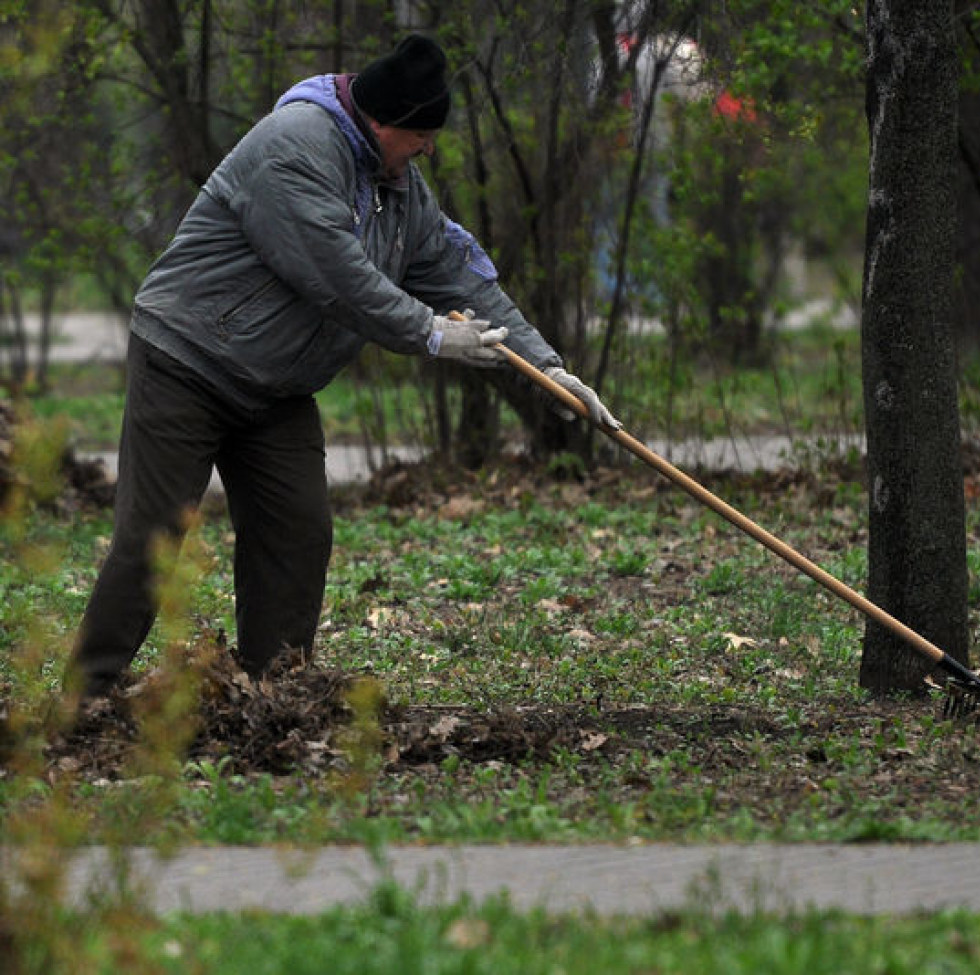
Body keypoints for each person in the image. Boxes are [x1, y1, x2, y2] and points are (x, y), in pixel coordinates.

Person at [67, 34, 617, 701]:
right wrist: (431, 335)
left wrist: (548, 367)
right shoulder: (294, 145)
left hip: (276, 387)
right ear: (383, 121)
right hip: (188, 358)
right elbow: (336, 275)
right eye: (421, 135)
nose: (429, 150)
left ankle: (275, 690)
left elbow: (454, 272)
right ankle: (84, 701)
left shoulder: (399, 187)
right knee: (154, 537)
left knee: (298, 532)